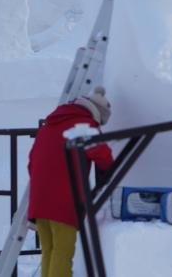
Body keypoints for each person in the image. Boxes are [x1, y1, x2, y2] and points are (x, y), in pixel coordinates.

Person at [28, 87, 114, 277]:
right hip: (64, 202)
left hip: (39, 201)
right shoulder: (84, 126)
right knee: (63, 253)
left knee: (48, 251)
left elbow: (31, 162)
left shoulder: (49, 124)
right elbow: (104, 158)